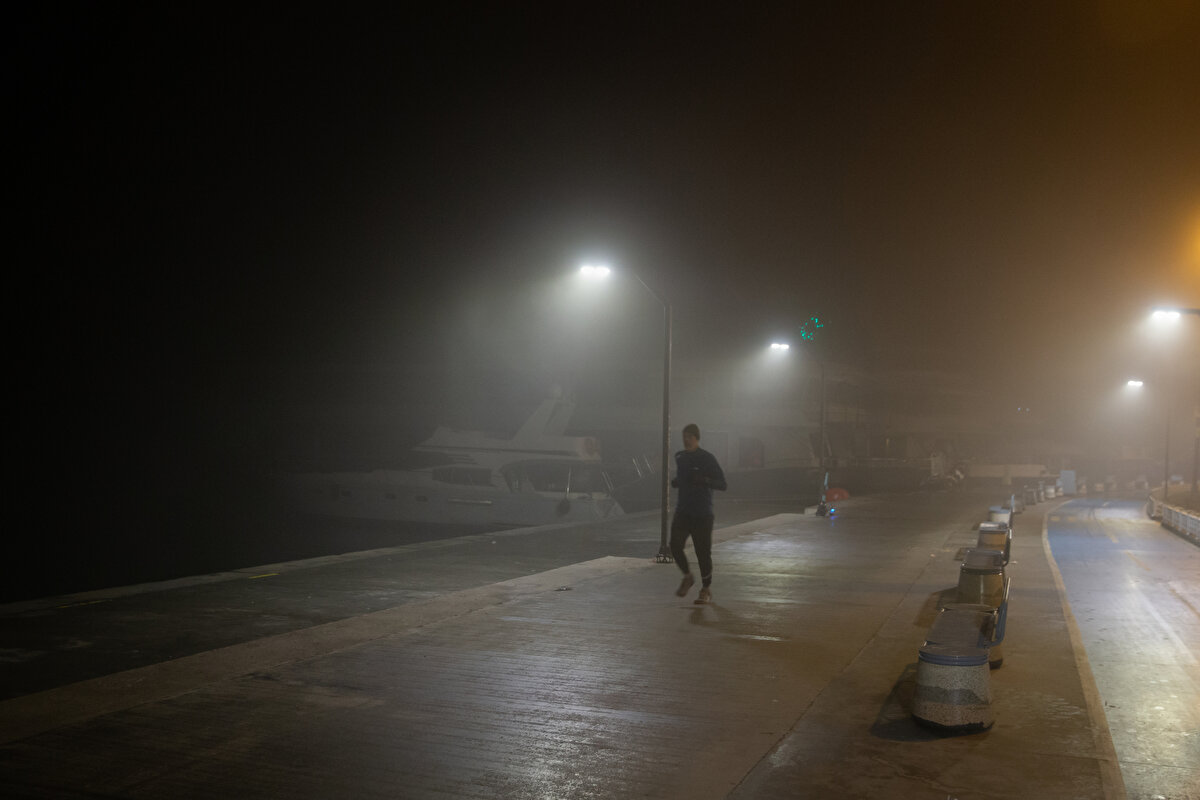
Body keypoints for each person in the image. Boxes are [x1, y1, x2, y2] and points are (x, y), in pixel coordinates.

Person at [670, 423, 727, 604]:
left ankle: (706, 588)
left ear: (697, 438)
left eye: (690, 437)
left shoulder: (707, 458)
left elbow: (722, 484)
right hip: (683, 511)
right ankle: (688, 576)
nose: (686, 440)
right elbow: (683, 477)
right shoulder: (680, 457)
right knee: (674, 545)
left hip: (702, 513)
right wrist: (678, 482)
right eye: (684, 436)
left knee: (703, 553)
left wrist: (705, 480)